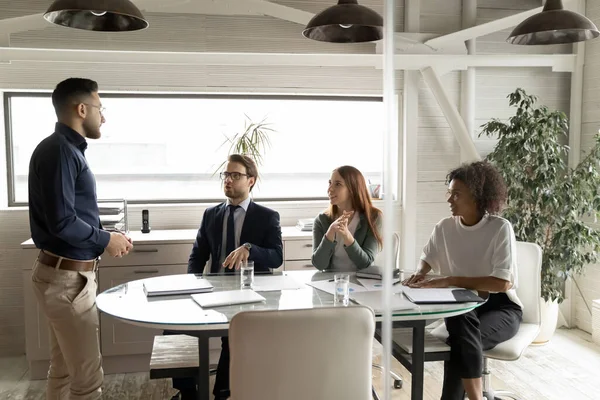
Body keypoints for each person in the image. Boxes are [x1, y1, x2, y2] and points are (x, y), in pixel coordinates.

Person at [28, 78, 133, 400]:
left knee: (62, 369)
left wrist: (107, 233)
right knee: (88, 379)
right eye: (100, 108)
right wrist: (105, 240)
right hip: (67, 280)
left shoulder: (64, 149)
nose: (103, 117)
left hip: (63, 275)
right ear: (82, 108)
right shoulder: (61, 151)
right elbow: (62, 222)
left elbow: (72, 213)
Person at [403, 161, 523, 400]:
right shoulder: (444, 227)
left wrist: (449, 280)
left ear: (478, 197)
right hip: (460, 306)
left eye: (456, 194)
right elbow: (427, 256)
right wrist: (421, 272)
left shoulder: (500, 228)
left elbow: (502, 284)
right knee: (461, 324)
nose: (450, 200)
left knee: (462, 341)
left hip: (499, 308)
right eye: (450, 193)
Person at [177, 154, 283, 400]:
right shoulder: (211, 214)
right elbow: (197, 256)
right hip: (215, 290)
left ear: (251, 181)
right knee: (175, 328)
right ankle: (188, 391)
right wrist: (191, 285)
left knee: (231, 336)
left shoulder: (267, 216)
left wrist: (249, 248)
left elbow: (276, 257)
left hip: (251, 293)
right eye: (226, 175)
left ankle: (223, 393)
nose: (229, 180)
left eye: (236, 175)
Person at [312, 165, 382, 271]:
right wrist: (330, 233)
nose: (330, 189)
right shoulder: (322, 220)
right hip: (331, 283)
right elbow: (319, 265)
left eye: (338, 184)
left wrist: (347, 236)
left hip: (362, 284)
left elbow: (365, 264)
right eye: (330, 183)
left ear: (352, 189)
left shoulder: (374, 217)